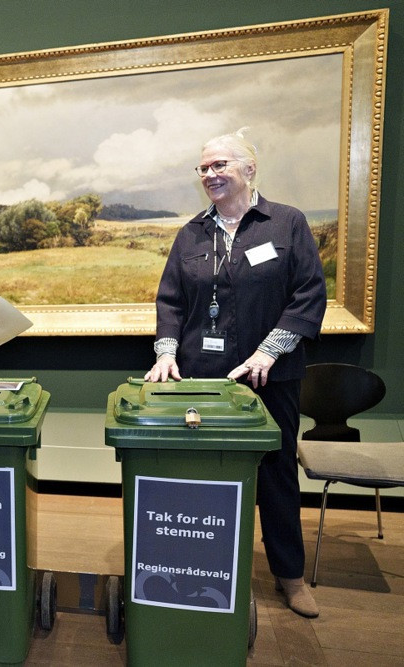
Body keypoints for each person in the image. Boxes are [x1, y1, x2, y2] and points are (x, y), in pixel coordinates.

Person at [145, 128, 327, 618]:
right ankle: (199, 564)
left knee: (276, 479)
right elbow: (170, 301)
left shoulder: (286, 223)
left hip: (270, 379)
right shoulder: (191, 233)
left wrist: (270, 352)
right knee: (202, 477)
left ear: (249, 169)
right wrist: (166, 353)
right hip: (203, 381)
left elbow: (309, 295)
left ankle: (289, 577)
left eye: (219, 165)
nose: (210, 174)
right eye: (203, 168)